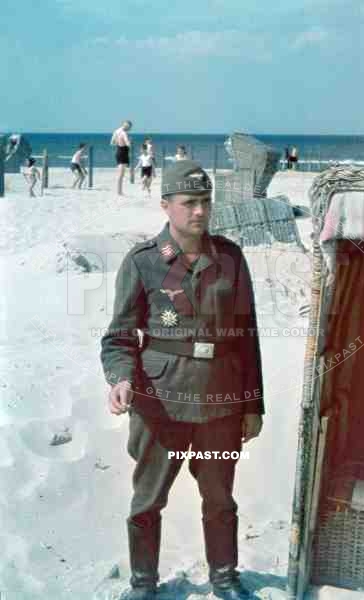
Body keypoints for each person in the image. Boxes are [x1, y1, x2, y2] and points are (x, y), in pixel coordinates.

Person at [101, 160, 264, 600]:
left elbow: (248, 336)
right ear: (166, 205)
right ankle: (143, 583)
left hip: (221, 401)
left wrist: (252, 405)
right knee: (148, 500)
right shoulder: (144, 262)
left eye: (205, 202)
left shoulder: (230, 257)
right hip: (161, 401)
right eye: (189, 202)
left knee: (220, 498)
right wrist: (119, 379)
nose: (199, 211)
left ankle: (225, 577)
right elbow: (118, 336)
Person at [111, 120, 132, 195]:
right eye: (129, 127)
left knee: (121, 174)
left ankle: (119, 191)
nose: (129, 129)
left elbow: (112, 142)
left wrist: (119, 142)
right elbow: (127, 143)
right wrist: (130, 143)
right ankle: (119, 192)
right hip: (123, 153)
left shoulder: (116, 131)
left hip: (119, 151)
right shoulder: (124, 133)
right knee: (121, 174)